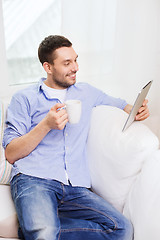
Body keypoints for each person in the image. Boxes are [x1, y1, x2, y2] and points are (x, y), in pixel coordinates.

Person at [3, 35, 149, 240]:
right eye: (67, 63)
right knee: (44, 234)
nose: (75, 68)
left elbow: (125, 107)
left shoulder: (87, 92)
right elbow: (11, 153)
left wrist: (139, 110)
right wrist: (46, 125)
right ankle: (38, 227)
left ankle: (27, 228)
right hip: (34, 179)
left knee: (122, 229)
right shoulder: (24, 98)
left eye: (75, 60)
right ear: (48, 67)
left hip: (76, 187)